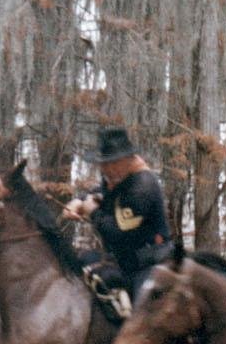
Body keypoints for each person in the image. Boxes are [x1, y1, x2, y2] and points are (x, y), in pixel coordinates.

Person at [66, 127, 173, 298]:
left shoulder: (143, 186)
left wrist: (92, 212)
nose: (108, 169)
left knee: (144, 312)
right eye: (104, 163)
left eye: (114, 162)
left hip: (149, 263)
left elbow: (118, 233)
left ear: (129, 159)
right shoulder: (117, 178)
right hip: (122, 260)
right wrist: (78, 201)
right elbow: (101, 192)